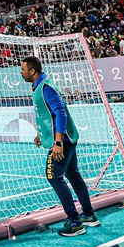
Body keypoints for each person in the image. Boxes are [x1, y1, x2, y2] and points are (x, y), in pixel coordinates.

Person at [20, 55, 99, 237]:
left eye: (23, 70)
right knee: (73, 175)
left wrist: (57, 142)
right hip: (67, 138)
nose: (21, 73)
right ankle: (88, 215)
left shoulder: (46, 88)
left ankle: (75, 222)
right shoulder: (40, 86)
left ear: (32, 71)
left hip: (62, 141)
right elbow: (48, 115)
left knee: (54, 177)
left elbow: (60, 114)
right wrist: (42, 133)